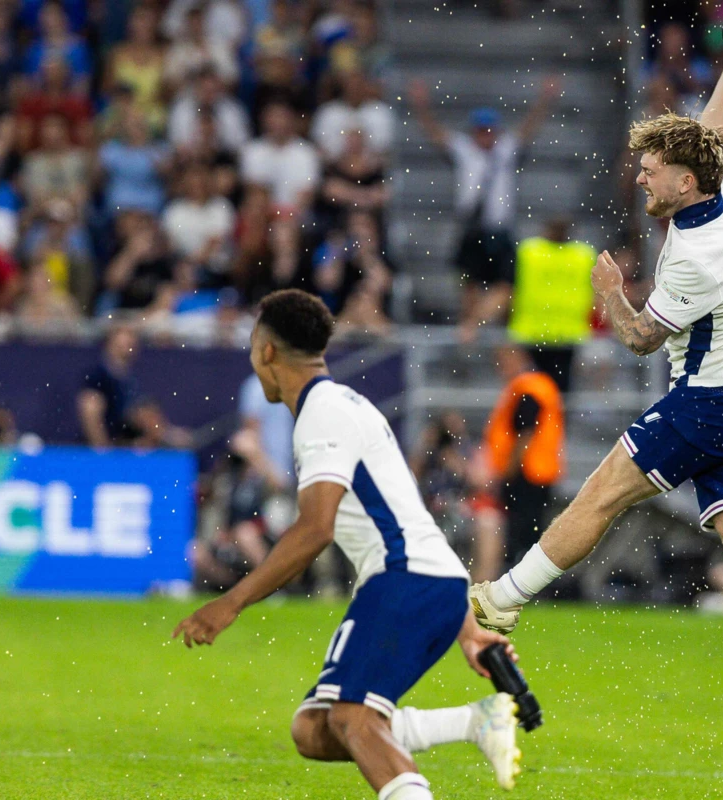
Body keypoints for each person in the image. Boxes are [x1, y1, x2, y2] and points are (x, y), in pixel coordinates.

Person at [468, 31, 723, 742]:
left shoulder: (692, 259)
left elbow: (641, 336)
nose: (641, 179)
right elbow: (718, 132)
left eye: (651, 171)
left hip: (703, 402)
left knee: (601, 493)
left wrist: (609, 293)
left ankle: (502, 601)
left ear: (683, 182)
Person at [172, 289, 523, 798]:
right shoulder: (346, 405)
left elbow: (315, 529)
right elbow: (412, 519)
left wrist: (231, 602)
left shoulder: (323, 415)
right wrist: (468, 630)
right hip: (428, 580)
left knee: (353, 717)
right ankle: (474, 723)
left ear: (267, 352)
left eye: (252, 345)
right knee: (314, 730)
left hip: (405, 580)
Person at [407, 76, 559, 334]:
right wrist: (421, 107)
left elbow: (528, 129)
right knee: (469, 286)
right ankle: (472, 326)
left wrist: (545, 100)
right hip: (472, 227)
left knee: (507, 285)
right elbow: (436, 134)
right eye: (481, 130)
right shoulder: (465, 150)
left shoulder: (506, 150)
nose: (485, 136)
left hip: (499, 229)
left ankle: (473, 325)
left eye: (489, 130)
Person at [481, 345, 565, 575]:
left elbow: (525, 432)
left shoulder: (528, 388)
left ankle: (522, 580)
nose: (500, 368)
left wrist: (509, 468)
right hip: (538, 470)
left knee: (522, 532)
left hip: (527, 472)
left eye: (504, 360)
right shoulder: (537, 386)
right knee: (530, 531)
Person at [507, 218, 596, 394]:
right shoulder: (582, 256)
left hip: (536, 335)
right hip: (561, 337)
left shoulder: (530, 252)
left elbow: (506, 291)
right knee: (555, 396)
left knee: (534, 395)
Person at [77, 323, 141, 447]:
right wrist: (103, 449)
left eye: (130, 344)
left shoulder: (127, 378)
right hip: (103, 452)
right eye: (121, 345)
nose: (126, 348)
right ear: (109, 344)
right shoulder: (98, 376)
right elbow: (89, 409)